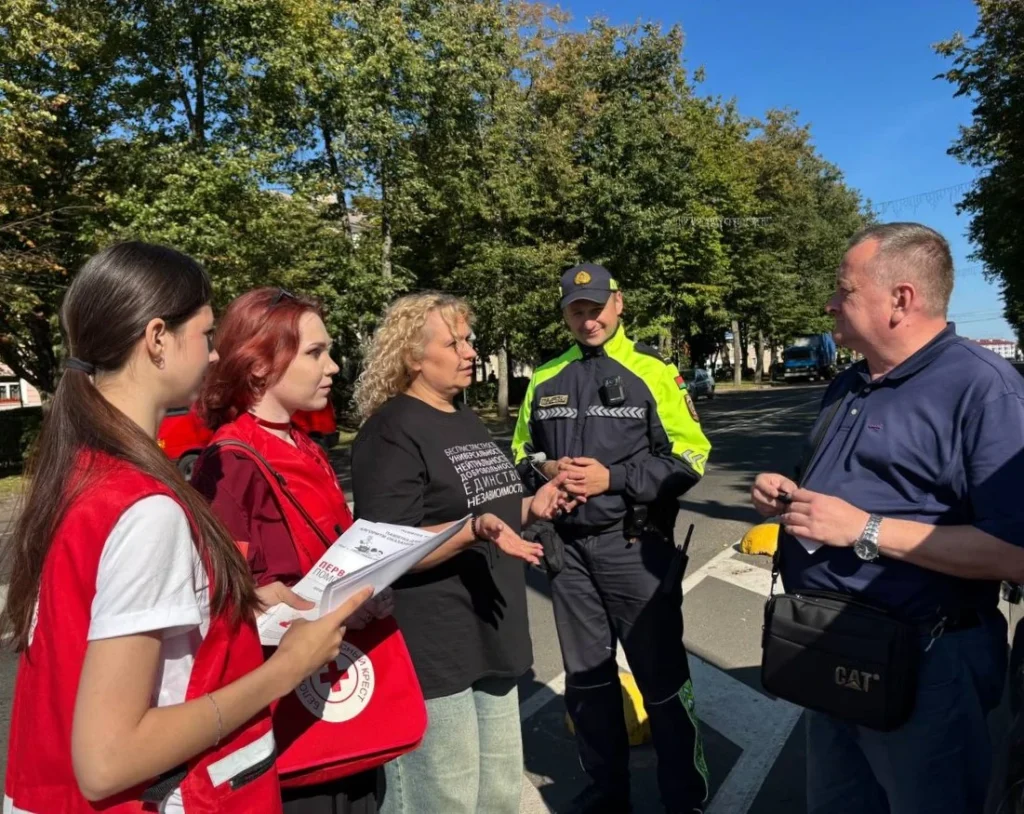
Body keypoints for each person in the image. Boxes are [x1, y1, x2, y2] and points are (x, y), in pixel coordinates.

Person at [0, 242, 372, 814]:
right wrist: (288, 668)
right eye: (205, 333)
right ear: (156, 339)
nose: (216, 355)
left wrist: (235, 601)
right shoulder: (144, 506)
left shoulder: (81, 472)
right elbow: (107, 762)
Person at [751, 222, 1024, 814]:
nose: (829, 302)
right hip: (830, 648)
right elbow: (846, 490)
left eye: (844, 290)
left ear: (901, 299)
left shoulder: (985, 389)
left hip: (930, 665)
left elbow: (1014, 552)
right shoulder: (849, 383)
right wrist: (788, 496)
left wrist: (863, 529)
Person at [350, 291, 573, 814]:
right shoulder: (391, 430)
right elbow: (389, 548)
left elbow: (490, 511)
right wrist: (472, 530)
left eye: (468, 339)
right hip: (434, 652)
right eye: (453, 343)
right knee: (442, 802)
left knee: (496, 798)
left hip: (492, 639)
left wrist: (533, 509)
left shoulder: (463, 418)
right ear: (412, 356)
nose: (470, 351)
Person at [191, 287, 406, 813]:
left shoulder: (303, 444)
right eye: (314, 353)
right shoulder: (231, 461)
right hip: (286, 716)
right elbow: (220, 604)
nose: (332, 366)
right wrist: (262, 601)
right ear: (259, 366)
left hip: (334, 687)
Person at [511, 263, 713, 814]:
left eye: (596, 306)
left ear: (618, 304)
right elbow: (519, 454)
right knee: (588, 683)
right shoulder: (544, 376)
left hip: (635, 548)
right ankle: (607, 792)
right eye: (576, 310)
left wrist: (614, 479)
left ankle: (685, 797)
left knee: (662, 683)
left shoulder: (655, 371)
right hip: (568, 555)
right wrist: (547, 469)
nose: (588, 317)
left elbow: (691, 455)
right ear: (564, 314)